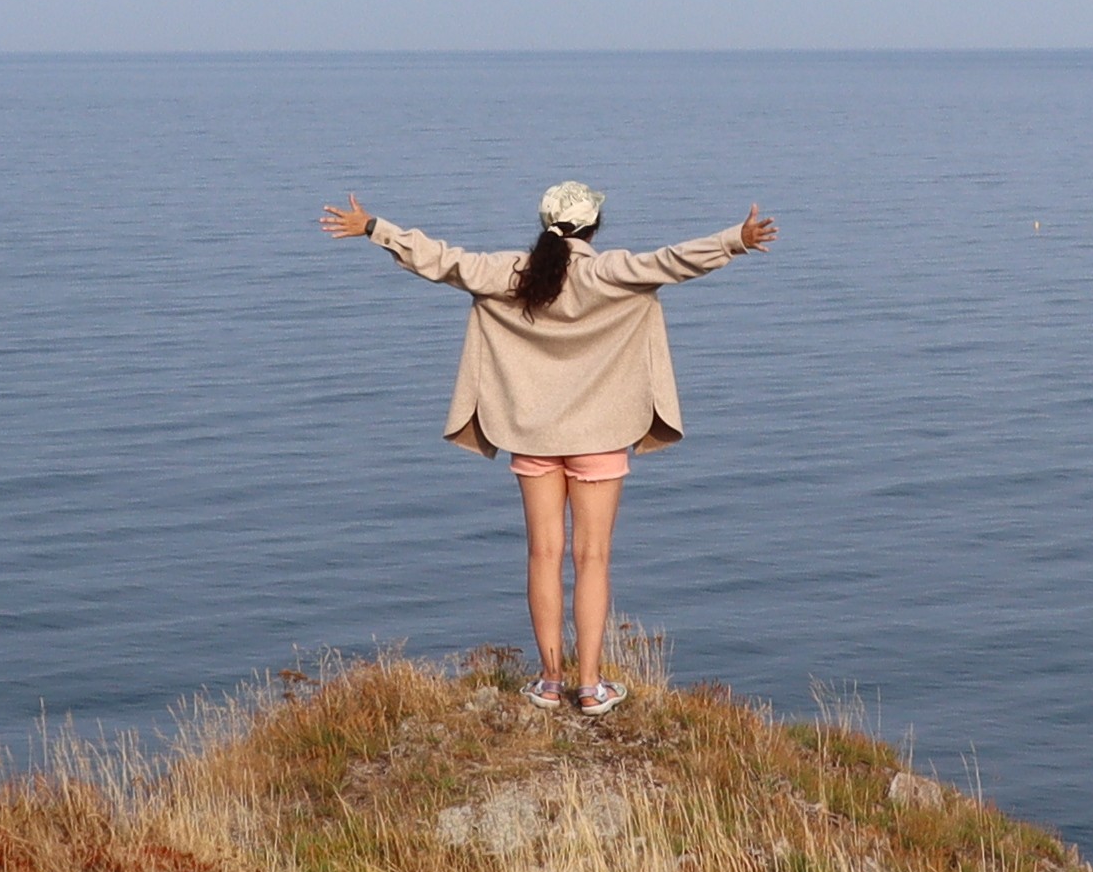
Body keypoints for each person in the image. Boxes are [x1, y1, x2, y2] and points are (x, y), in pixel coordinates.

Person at [317, 179, 777, 715]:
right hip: (600, 439)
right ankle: (591, 686)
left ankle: (550, 682)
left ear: (544, 223)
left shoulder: (511, 273)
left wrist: (376, 228)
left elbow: (441, 260)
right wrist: (736, 239)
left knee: (542, 555)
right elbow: (673, 261)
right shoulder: (609, 273)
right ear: (594, 226)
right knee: (593, 558)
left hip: (531, 436)